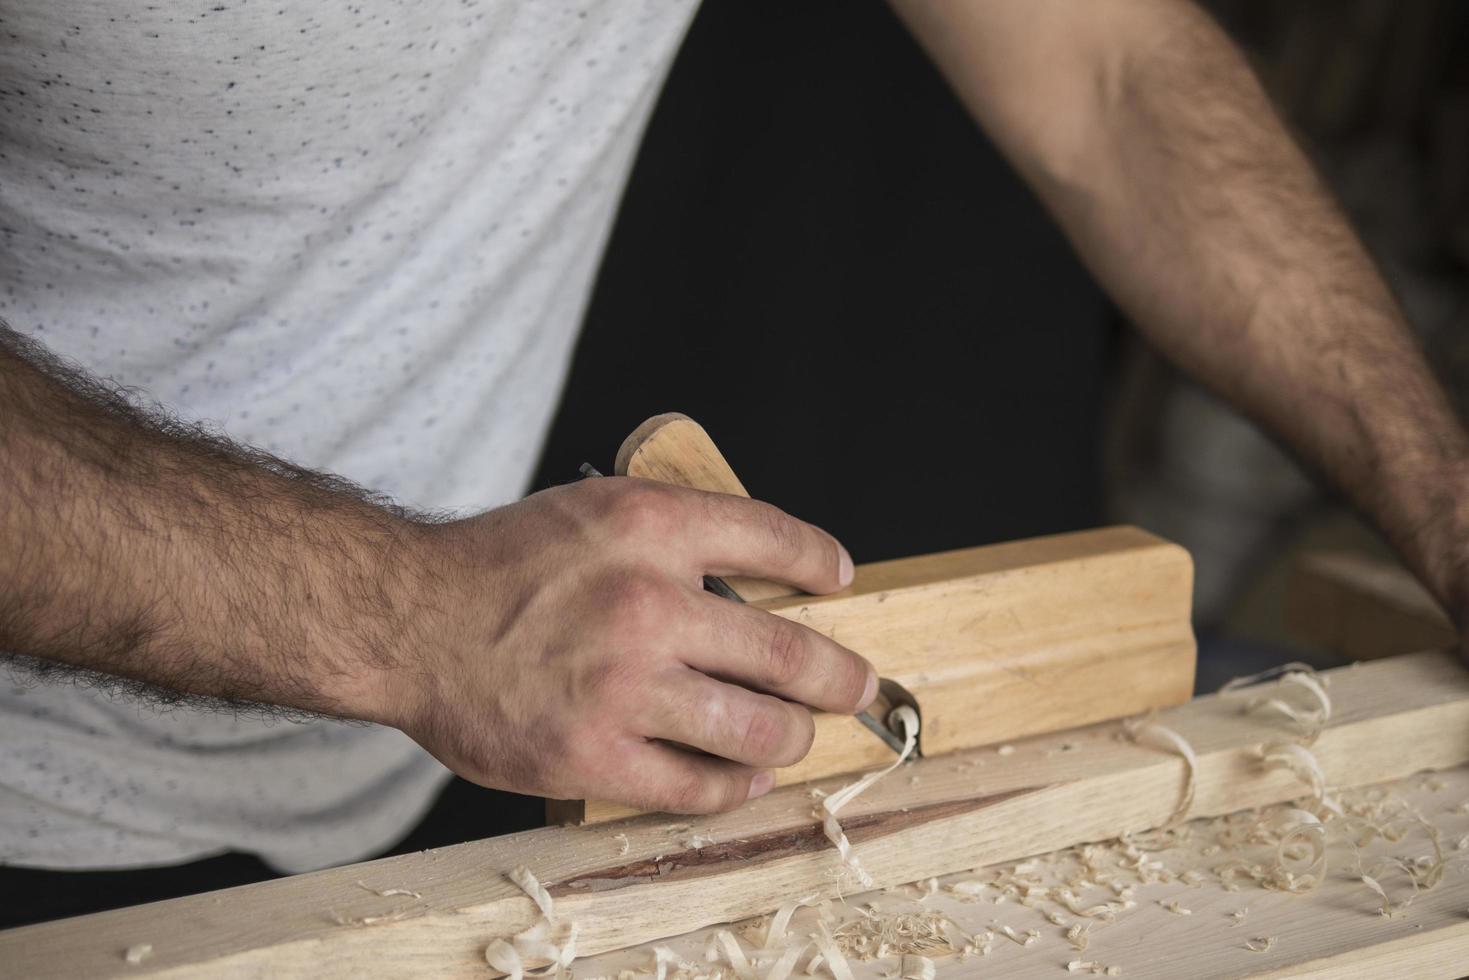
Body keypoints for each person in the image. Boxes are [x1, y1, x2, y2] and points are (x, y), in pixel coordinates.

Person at [2, 0, 1464, 924]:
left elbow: (1100, 68)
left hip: (391, 782)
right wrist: (408, 617)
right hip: (41, 794)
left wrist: (1442, 497)